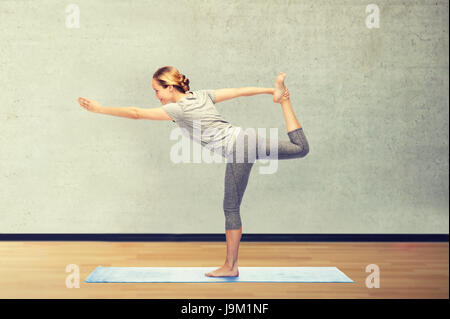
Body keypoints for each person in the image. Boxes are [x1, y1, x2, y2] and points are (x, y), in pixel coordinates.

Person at [77, 66, 309, 277]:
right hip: (247, 137)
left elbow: (136, 113)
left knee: (230, 207)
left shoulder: (177, 109)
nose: (156, 96)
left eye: (157, 91)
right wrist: (271, 90)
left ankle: (230, 267)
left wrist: (100, 108)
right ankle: (285, 101)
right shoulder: (202, 95)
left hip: (238, 147)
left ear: (169, 87)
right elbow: (239, 91)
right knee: (300, 148)